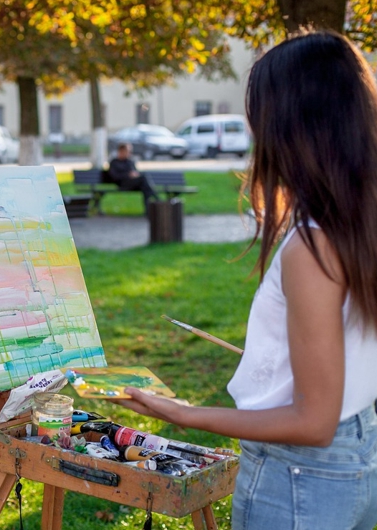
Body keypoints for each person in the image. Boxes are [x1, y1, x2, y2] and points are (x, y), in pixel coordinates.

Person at [114, 31, 377, 529]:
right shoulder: (359, 220)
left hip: (300, 477)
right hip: (356, 457)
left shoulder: (313, 243)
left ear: (293, 127)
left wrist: (182, 413)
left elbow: (312, 423)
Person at [106, 142, 158, 213]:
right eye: (128, 151)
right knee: (143, 179)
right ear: (121, 151)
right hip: (122, 184)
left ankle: (149, 210)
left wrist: (135, 175)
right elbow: (114, 177)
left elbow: (135, 172)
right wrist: (128, 175)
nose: (130, 153)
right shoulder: (114, 162)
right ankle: (157, 199)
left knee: (145, 187)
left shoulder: (130, 162)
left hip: (134, 184)